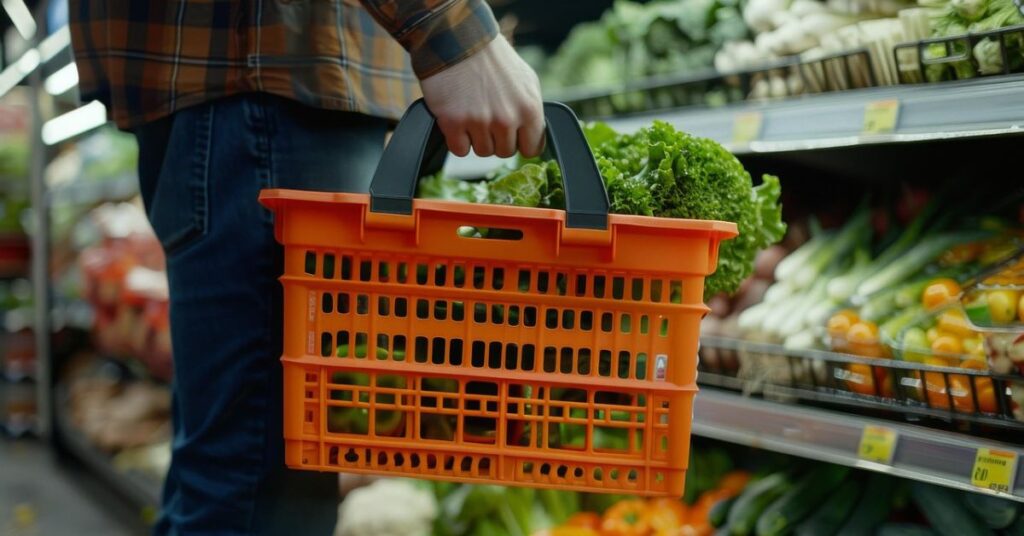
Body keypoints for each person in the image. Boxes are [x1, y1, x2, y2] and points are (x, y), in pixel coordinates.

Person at [68, 1, 544, 534]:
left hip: (253, 93)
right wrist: (456, 35)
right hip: (270, 76)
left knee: (242, 473)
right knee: (263, 492)